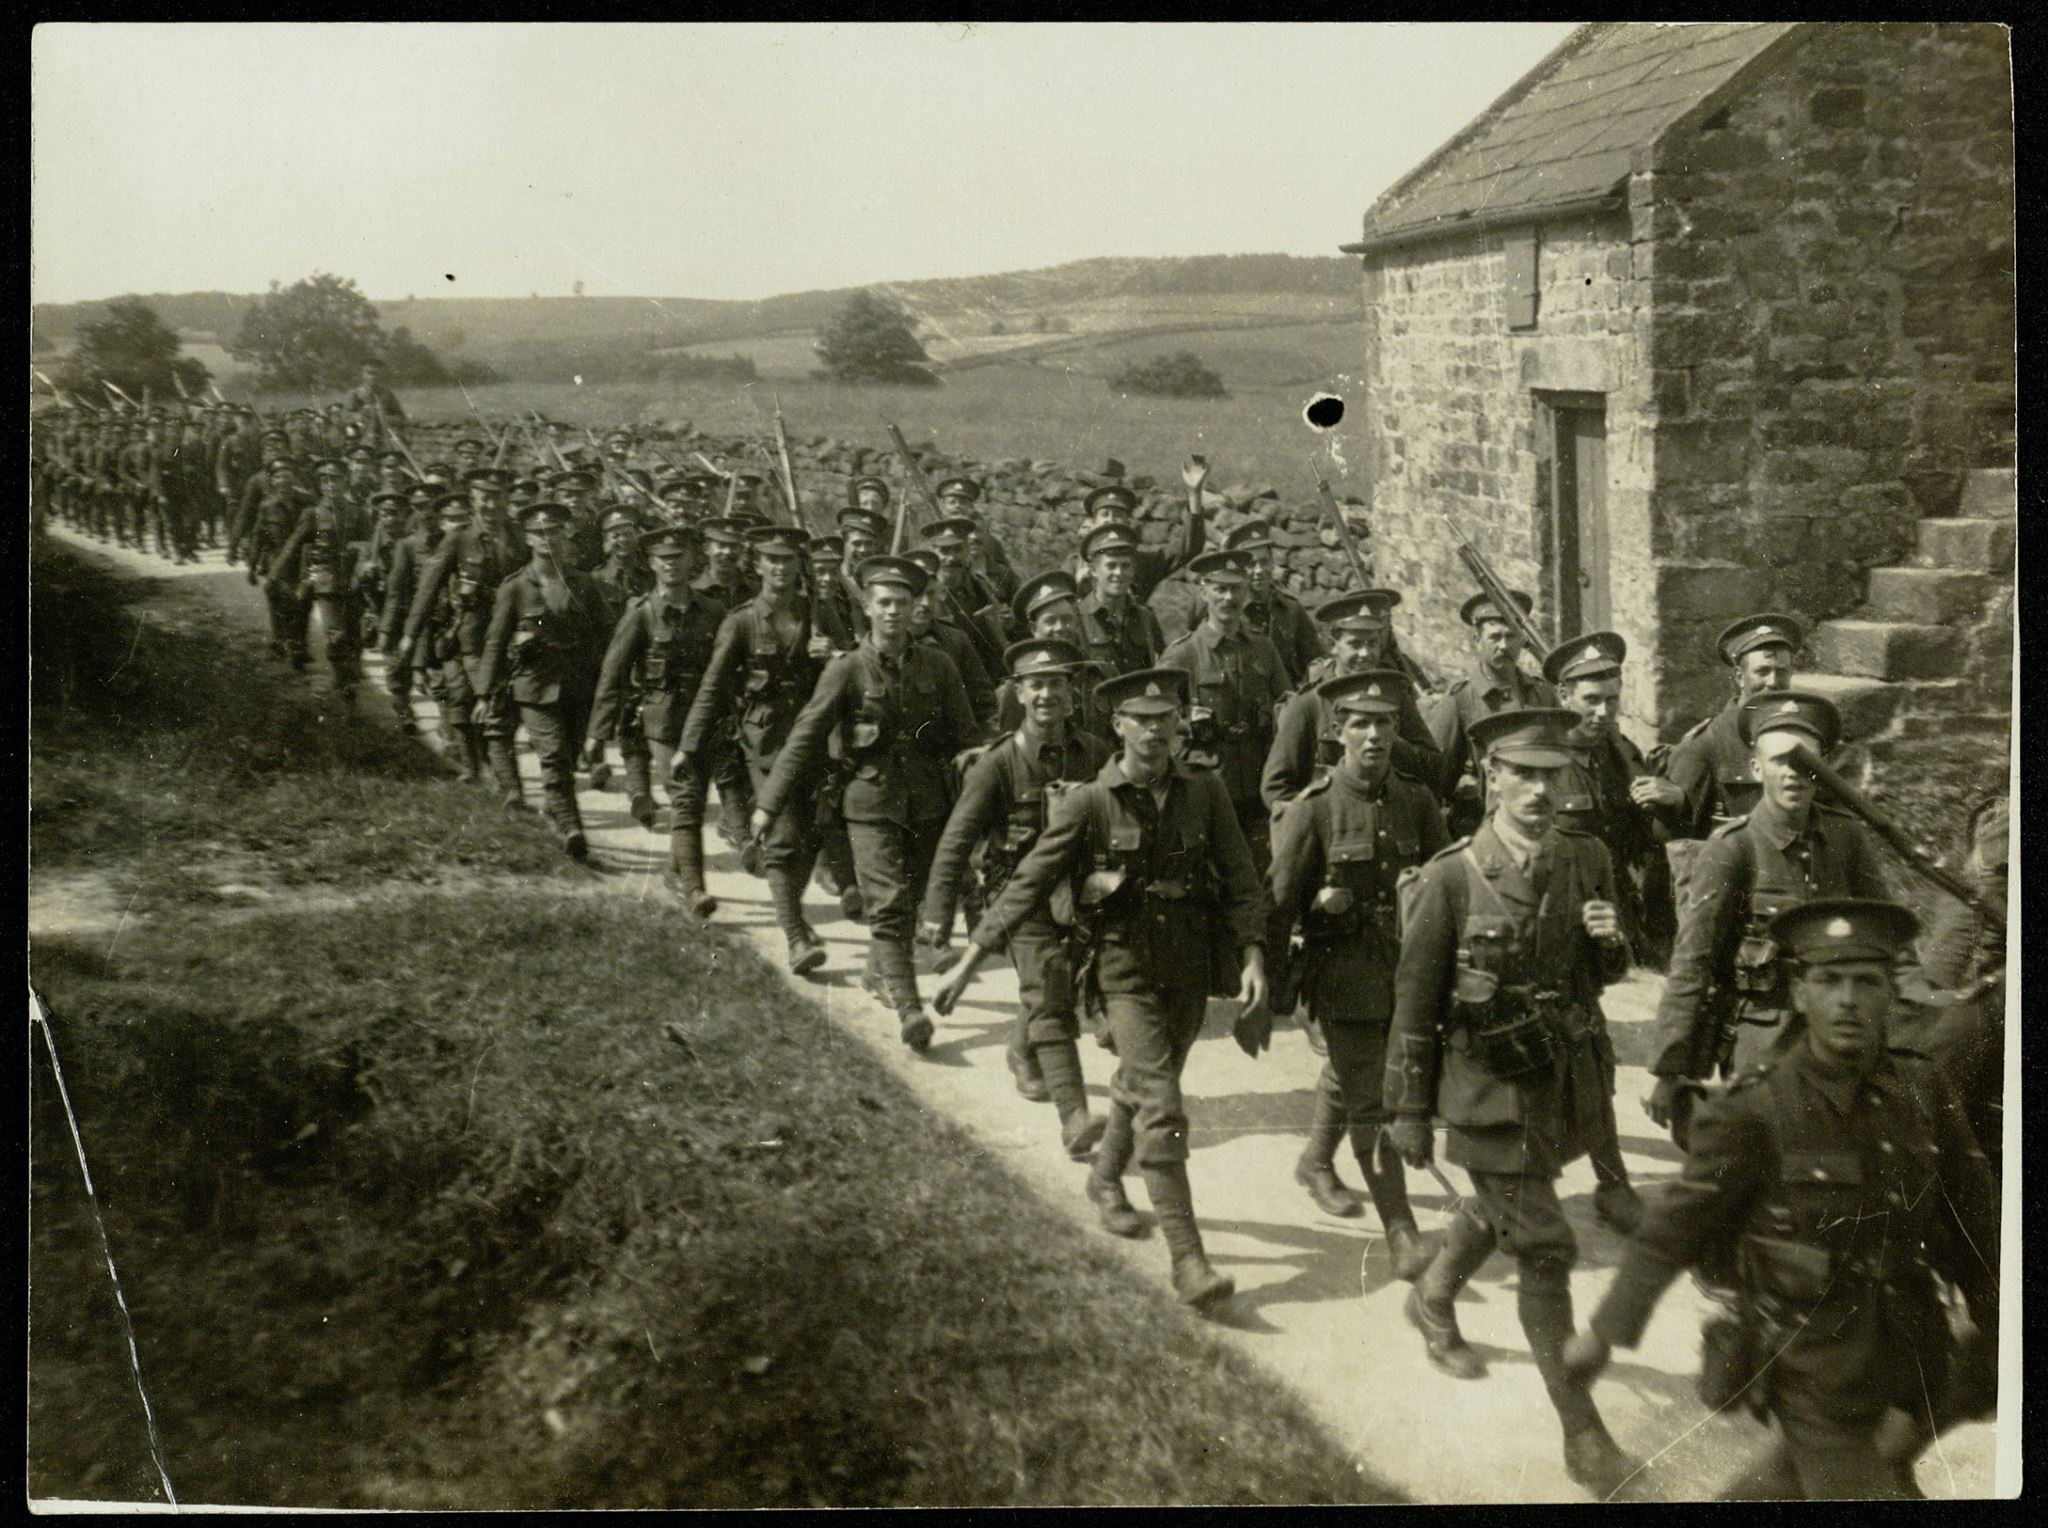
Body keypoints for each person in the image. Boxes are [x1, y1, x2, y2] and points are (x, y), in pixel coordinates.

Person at [1565, 898, 2001, 1502]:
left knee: (1784, 1489)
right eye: (1827, 981)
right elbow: (1675, 1229)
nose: (1847, 999)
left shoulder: (1924, 1089)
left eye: (1866, 982)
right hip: (1808, 1367)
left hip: (1909, 1357)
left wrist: (1998, 1318)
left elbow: (1980, 1222)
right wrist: (1605, 1333)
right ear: (1799, 993)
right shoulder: (1755, 1108)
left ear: (1891, 994)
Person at [936, 666, 1269, 1315]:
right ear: (1117, 728)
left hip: (1189, 970)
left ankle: (1105, 1178)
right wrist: (968, 960)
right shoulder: (1090, 801)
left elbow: (1241, 878)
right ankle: (1188, 1258)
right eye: (1141, 721)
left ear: (1180, 727)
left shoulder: (1205, 794)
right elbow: (1029, 881)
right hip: (1122, 968)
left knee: (1144, 1083)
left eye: (1166, 720)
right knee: (1164, 1106)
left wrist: (1253, 955)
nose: (1155, 732)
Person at [1383, 707, 1640, 1498]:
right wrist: (1407, 1109)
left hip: (1559, 1083)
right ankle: (1582, 1430)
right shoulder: (1450, 876)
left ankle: (1433, 1294)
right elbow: (1416, 1000)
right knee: (1546, 1246)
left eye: (1550, 775)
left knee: (1504, 1206)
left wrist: (1610, 943)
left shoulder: (1585, 857)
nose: (1538, 791)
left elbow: (1602, 976)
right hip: (1485, 1091)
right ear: (1491, 779)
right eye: (1521, 775)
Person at [753, 555, 981, 1052]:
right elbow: (804, 738)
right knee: (891, 906)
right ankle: (909, 1008)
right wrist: (768, 805)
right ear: (869, 610)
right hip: (869, 802)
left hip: (928, 805)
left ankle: (881, 974)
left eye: (903, 602)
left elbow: (966, 737)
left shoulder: (938, 665)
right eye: (884, 603)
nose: (894, 612)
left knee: (913, 898)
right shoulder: (846, 669)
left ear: (915, 606)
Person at [1646, 691, 1889, 1138]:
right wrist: (1670, 1068)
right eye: (1780, 761)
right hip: (1763, 1034)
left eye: (1805, 762)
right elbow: (1693, 961)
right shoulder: (1733, 848)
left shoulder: (1846, 838)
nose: (1793, 774)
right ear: (1757, 769)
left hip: (1838, 1030)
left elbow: (1886, 937)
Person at [1265, 669, 1446, 1263]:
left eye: (1385, 723)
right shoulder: (1312, 811)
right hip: (1341, 975)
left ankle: (1315, 1161)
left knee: (1352, 1077)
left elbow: (1445, 887)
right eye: (1360, 724)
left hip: (1407, 970)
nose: (1374, 736)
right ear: (1337, 733)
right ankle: (1401, 1230)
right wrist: (1269, 995)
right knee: (1374, 1099)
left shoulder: (1417, 800)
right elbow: (1276, 906)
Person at [919, 638, 1114, 1150]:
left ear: (1073, 692)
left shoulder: (1094, 753)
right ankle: (1075, 1118)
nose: (1046, 694)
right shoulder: (998, 764)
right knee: (1049, 987)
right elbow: (957, 840)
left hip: (1080, 894)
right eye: (1036, 685)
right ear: (1020, 695)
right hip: (1016, 898)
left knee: (1059, 982)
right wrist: (937, 914)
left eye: (1056, 683)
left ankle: (1023, 1051)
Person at [680, 525, 836, 975]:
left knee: (809, 837)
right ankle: (794, 937)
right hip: (764, 742)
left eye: (788, 561)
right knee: (785, 836)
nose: (780, 569)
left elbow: (854, 660)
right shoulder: (743, 620)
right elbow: (712, 687)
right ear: (758, 565)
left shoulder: (818, 613)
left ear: (798, 566)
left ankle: (794, 915)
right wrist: (690, 746)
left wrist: (833, 651)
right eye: (771, 561)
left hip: (814, 739)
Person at [587, 525, 729, 909]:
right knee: (684, 798)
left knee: (694, 804)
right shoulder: (642, 614)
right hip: (661, 724)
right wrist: (597, 734)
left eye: (678, 557)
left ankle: (675, 870)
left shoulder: (713, 611)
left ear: (693, 562)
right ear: (651, 564)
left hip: (702, 723)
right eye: (663, 559)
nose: (671, 565)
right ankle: (695, 887)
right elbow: (613, 674)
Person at [473, 500, 614, 859]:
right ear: (528, 539)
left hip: (578, 684)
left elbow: (608, 634)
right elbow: (495, 641)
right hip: (533, 686)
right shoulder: (516, 587)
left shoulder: (585, 584)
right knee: (551, 755)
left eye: (553, 532)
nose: (547, 539)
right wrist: (484, 692)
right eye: (539, 533)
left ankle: (557, 809)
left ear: (564, 536)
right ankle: (572, 827)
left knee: (566, 756)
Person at [398, 467, 529, 809]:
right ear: (473, 499)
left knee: (491, 705)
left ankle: (485, 767)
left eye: (497, 497)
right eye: (484, 497)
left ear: (506, 500)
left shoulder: (521, 536)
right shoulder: (459, 539)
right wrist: (411, 634)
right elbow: (428, 586)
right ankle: (509, 786)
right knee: (491, 703)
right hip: (475, 636)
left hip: (516, 635)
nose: (490, 504)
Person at [1542, 632, 1673, 968]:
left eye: (1612, 700)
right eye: (1592, 699)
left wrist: (1667, 801)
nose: (1603, 712)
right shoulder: (1538, 761)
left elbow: (1647, 843)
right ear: (1563, 696)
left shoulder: (1619, 753)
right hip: (1564, 924)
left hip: (1621, 920)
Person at [1158, 549, 1290, 870]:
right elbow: (1155, 717)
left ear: (1246, 592)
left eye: (1236, 589)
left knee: (1259, 870)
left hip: (1258, 782)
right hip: (1208, 783)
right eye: (1220, 589)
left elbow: (1288, 705)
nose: (1228, 598)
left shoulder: (1263, 648)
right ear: (1204, 592)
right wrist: (1189, 724)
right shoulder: (1183, 654)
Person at [1262, 590, 1445, 814]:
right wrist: (1309, 824)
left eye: (1372, 643)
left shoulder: (1396, 696)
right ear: (1333, 644)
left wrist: (1387, 738)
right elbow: (1275, 787)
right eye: (1355, 644)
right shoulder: (1310, 703)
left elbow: (1433, 765)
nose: (1365, 653)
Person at [1656, 616, 1804, 881]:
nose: (1773, 682)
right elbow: (1674, 840)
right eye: (1762, 671)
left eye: (1782, 671)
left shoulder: (1802, 735)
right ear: (1739, 676)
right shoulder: (1706, 743)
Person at [1425, 590, 1557, 839]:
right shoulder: (1459, 700)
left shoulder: (1542, 694)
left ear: (1522, 640)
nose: (1504, 646)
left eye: (1511, 636)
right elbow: (1434, 776)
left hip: (1535, 822)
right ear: (1477, 641)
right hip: (1481, 830)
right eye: (1494, 637)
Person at [1188, 519, 1324, 687]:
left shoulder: (1291, 610)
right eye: (1251, 565)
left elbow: (1316, 660)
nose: (1259, 571)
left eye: (1264, 562)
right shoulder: (1223, 609)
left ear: (1272, 563)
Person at [997, 572, 1113, 745]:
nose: (1060, 628)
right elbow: (1012, 750)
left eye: (1067, 620)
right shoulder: (1018, 687)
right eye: (1050, 621)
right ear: (1034, 628)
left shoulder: (1101, 673)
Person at [1069, 459, 1209, 601]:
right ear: (1093, 523)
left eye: (1118, 514)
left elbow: (1191, 545)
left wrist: (1194, 494)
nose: (1110, 519)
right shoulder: (1075, 563)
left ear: (1128, 523)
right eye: (1105, 514)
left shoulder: (1142, 562)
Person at [1076, 521, 1168, 676]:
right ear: (1093, 570)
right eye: (1111, 566)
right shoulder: (1077, 618)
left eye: (1125, 566)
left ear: (1133, 570)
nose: (1118, 573)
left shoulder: (1146, 618)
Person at [932, 474, 1020, 605]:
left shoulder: (989, 541)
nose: (958, 506)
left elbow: (1003, 575)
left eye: (964, 502)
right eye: (952, 502)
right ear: (942, 506)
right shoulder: (932, 536)